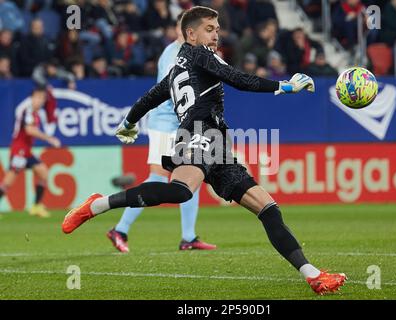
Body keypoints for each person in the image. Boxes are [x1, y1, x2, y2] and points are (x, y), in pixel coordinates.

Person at [62, 6, 346, 295]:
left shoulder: (176, 71)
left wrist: (128, 123)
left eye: (218, 29)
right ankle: (98, 204)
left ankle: (313, 275)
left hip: (218, 145)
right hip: (199, 134)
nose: (216, 35)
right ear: (191, 34)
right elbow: (239, 79)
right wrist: (285, 86)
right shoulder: (201, 55)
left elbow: (148, 99)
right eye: (209, 29)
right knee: (181, 191)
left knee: (268, 209)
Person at [107, 12, 216, 253]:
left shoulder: (186, 52)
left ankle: (188, 236)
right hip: (166, 123)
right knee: (158, 178)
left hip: (176, 124)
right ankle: (120, 228)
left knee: (191, 176)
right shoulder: (174, 56)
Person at [0, 87, 60, 217]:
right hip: (19, 151)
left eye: (42, 98)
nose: (40, 101)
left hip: (27, 152)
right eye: (37, 97)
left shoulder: (36, 113)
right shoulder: (27, 110)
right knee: (8, 182)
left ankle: (36, 206)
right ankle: (36, 206)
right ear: (31, 98)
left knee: (43, 172)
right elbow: (29, 130)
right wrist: (49, 139)